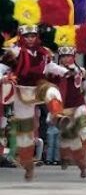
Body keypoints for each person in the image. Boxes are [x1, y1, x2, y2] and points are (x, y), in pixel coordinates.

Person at [1, 24, 66, 180]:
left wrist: (66, 72)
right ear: (22, 37)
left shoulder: (44, 53)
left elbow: (51, 67)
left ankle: (58, 115)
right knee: (25, 131)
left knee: (52, 90)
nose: (30, 39)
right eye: (27, 36)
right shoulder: (14, 52)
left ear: (37, 37)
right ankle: (28, 164)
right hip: (21, 91)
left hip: (38, 86)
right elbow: (2, 67)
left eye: (33, 36)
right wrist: (2, 78)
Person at [48, 44, 86, 177]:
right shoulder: (54, 71)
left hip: (79, 105)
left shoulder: (81, 71)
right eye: (63, 56)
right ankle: (78, 164)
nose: (66, 59)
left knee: (84, 128)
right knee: (71, 139)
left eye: (69, 56)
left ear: (73, 57)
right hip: (62, 110)